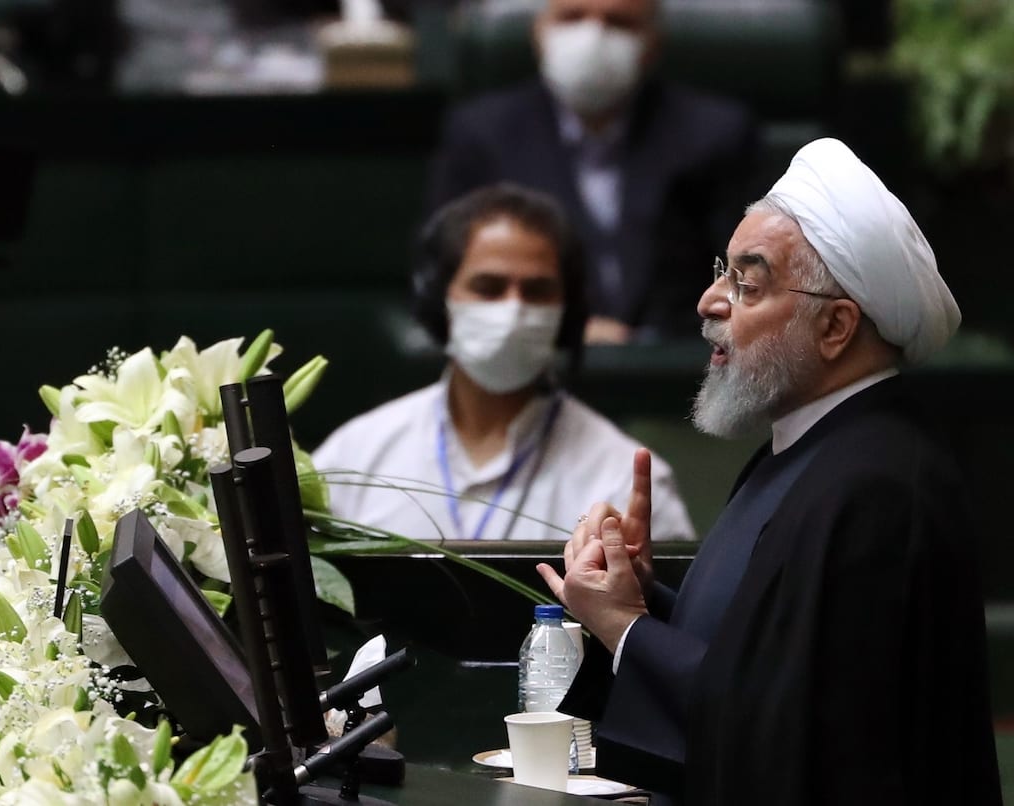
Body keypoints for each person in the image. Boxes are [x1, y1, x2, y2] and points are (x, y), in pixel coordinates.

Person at [537, 138, 1002, 805]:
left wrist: (625, 630)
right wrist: (640, 594)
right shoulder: (810, 449)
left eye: (746, 283)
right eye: (722, 272)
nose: (708, 301)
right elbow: (764, 650)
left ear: (836, 327)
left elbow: (794, 737)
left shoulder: (877, 486)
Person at [313, 183, 694, 541]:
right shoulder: (356, 456)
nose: (513, 309)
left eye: (537, 291)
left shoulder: (624, 481)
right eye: (488, 288)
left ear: (568, 311)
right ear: (438, 300)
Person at [428, 0, 758, 344]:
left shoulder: (716, 134)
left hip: (679, 366)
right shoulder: (481, 134)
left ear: (654, 43)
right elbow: (445, 280)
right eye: (572, 17)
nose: (593, 37)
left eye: (619, 23)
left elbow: (748, 282)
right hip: (530, 358)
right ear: (538, 31)